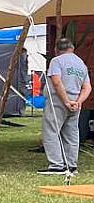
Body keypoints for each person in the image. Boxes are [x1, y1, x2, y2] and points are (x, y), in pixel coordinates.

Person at [39, 38, 91, 175]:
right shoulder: (81, 64)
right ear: (72, 48)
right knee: (72, 134)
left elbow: (56, 82)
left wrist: (66, 100)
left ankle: (57, 165)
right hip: (76, 102)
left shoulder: (56, 61)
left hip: (58, 101)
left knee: (51, 131)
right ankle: (71, 165)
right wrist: (79, 101)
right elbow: (87, 87)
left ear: (56, 50)